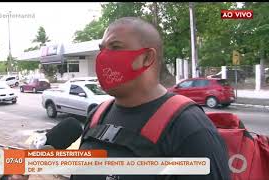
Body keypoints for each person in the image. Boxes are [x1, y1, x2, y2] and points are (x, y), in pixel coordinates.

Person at [70, 17, 230, 180]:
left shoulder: (189, 127)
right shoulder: (97, 115)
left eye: (115, 47)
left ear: (147, 58)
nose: (103, 57)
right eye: (102, 49)